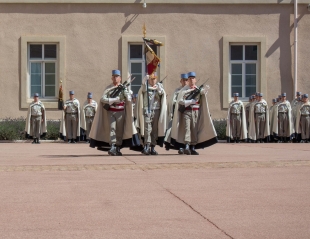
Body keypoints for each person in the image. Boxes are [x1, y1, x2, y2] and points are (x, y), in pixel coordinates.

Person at [89, 70, 140, 156]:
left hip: (121, 112)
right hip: (111, 111)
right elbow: (102, 99)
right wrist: (113, 100)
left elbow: (128, 99)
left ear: (120, 78)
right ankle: (112, 145)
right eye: (114, 76)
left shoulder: (123, 88)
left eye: (117, 76)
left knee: (119, 131)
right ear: (111, 78)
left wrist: (128, 95)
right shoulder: (108, 88)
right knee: (112, 129)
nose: (115, 78)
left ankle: (117, 147)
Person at [167, 71, 217, 155]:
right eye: (189, 79)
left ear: (195, 80)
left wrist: (205, 90)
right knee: (187, 129)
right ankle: (186, 145)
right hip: (186, 111)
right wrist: (190, 101)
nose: (191, 80)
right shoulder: (184, 90)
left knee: (194, 130)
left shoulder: (197, 90)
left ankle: (193, 147)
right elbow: (180, 101)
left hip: (196, 112)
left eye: (193, 79)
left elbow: (202, 95)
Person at [135, 72, 167, 155]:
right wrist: (143, 80)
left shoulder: (159, 88)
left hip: (156, 110)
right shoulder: (146, 87)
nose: (153, 81)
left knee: (154, 129)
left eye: (154, 79)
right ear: (149, 80)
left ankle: (153, 147)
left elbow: (162, 95)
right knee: (147, 129)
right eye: (152, 79)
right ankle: (146, 145)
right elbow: (142, 89)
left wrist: (160, 90)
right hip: (147, 110)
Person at [164, 73, 188, 149]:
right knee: (176, 130)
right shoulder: (177, 90)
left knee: (186, 130)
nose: (185, 82)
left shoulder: (190, 90)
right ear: (181, 81)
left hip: (187, 112)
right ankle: (177, 146)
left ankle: (187, 146)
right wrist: (176, 102)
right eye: (183, 80)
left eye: (186, 80)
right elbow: (172, 101)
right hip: (178, 112)